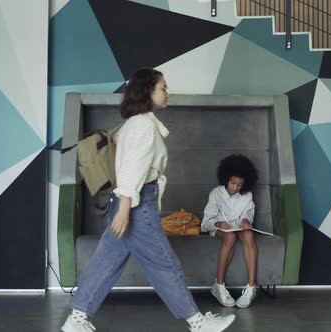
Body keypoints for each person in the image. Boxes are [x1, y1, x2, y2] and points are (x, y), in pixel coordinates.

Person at [62, 68, 236, 332]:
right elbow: (132, 170)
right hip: (135, 205)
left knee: (106, 261)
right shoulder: (143, 125)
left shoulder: (134, 123)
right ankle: (198, 323)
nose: (167, 92)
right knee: (164, 263)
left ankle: (76, 320)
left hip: (126, 202)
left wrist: (121, 208)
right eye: (163, 88)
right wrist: (125, 210)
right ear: (148, 91)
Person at [201, 154, 259, 309]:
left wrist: (246, 221)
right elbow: (205, 224)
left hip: (239, 227)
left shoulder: (247, 195)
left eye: (240, 185)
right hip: (221, 229)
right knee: (230, 237)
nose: (235, 187)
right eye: (233, 183)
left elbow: (248, 215)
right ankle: (218, 286)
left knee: (248, 234)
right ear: (226, 178)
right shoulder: (216, 194)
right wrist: (219, 223)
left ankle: (251, 288)